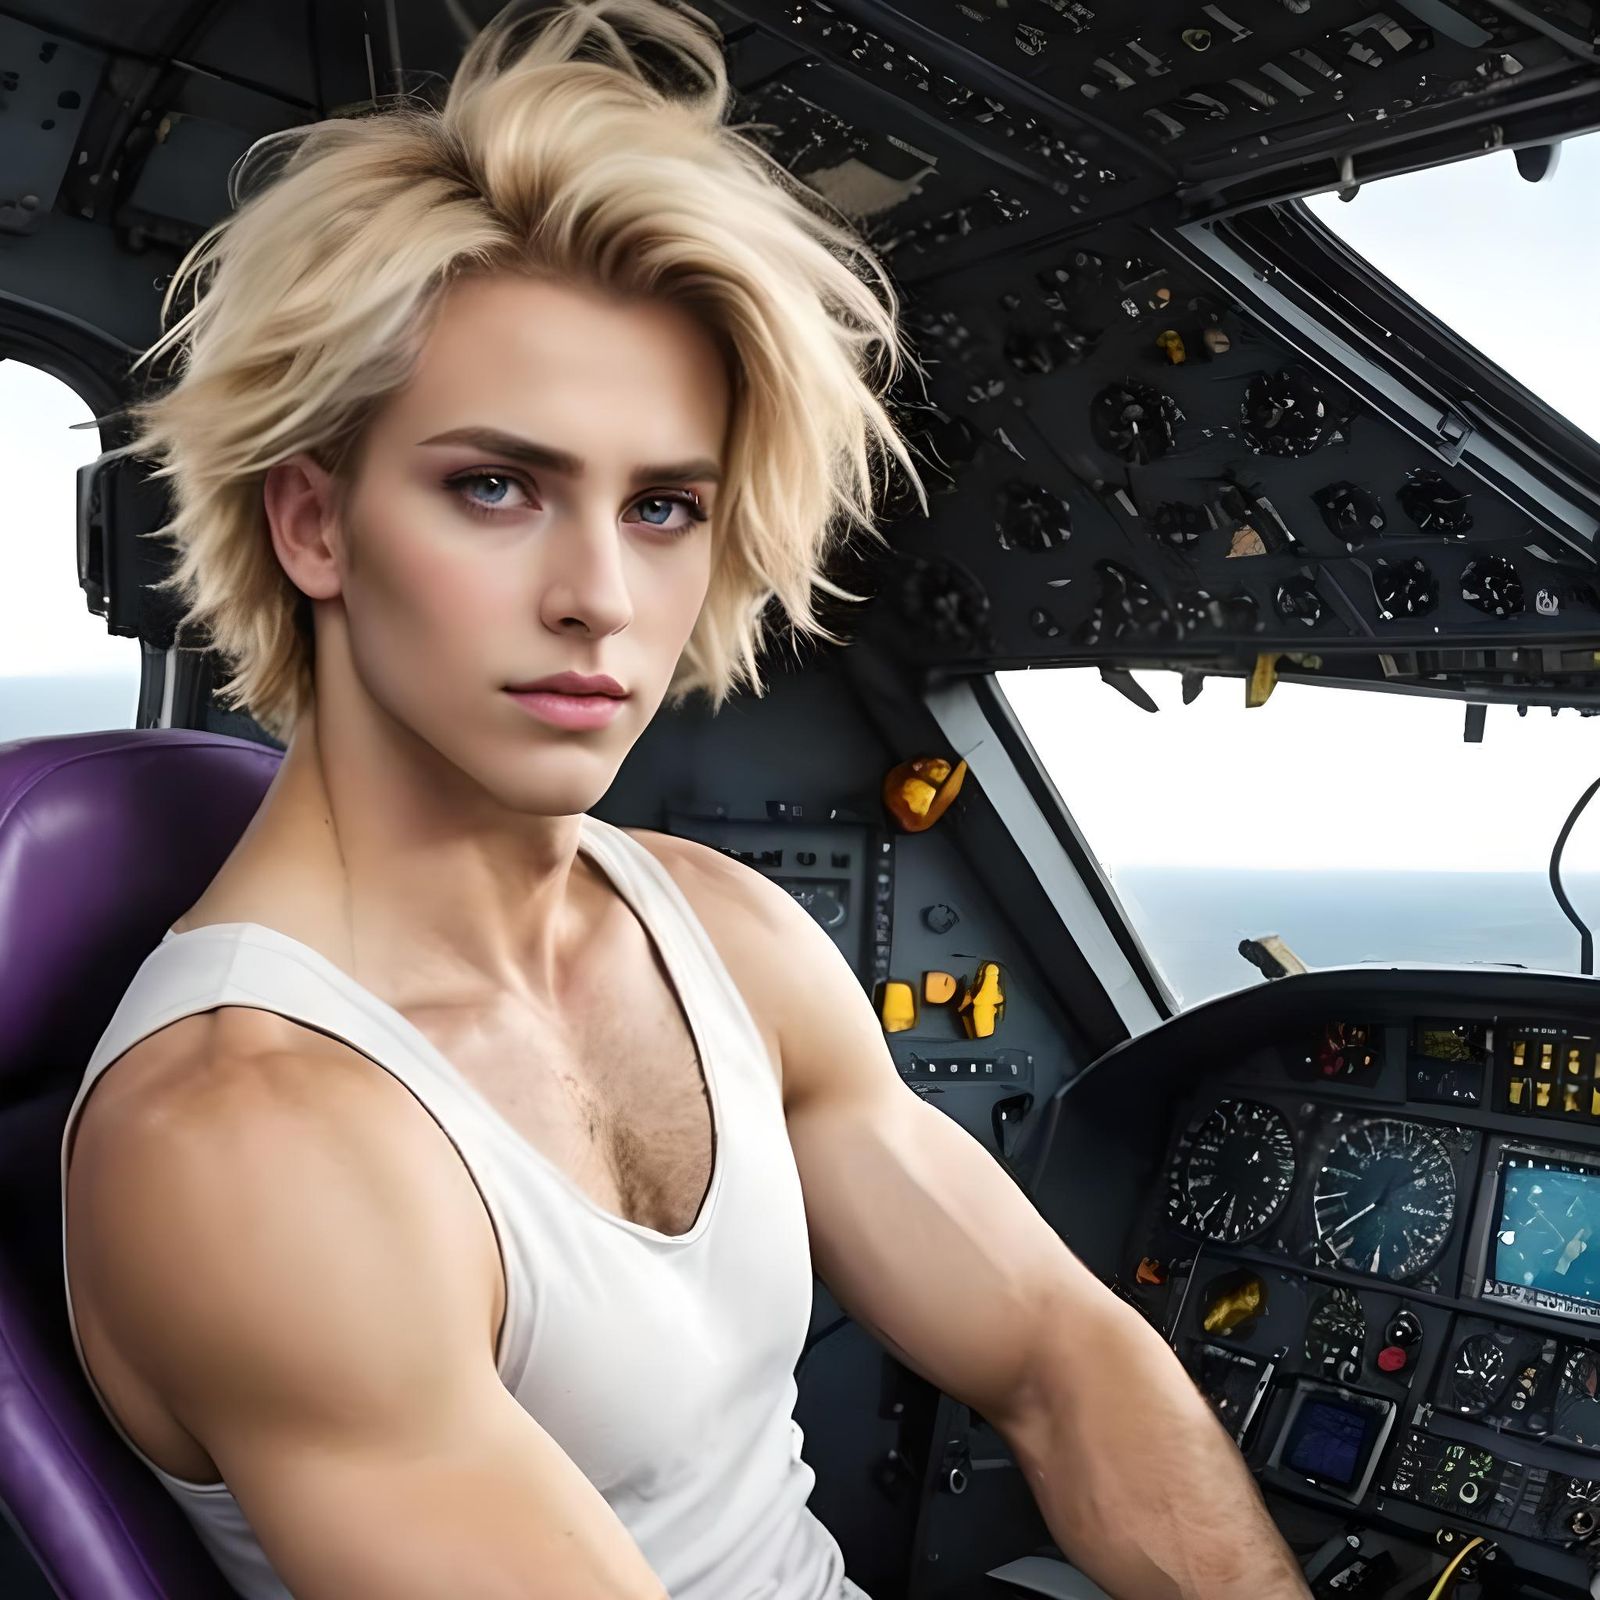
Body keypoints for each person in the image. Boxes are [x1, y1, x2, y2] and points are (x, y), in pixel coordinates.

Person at [59, 3, 1312, 1597]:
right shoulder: (250, 1146)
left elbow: (1060, 1358)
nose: (599, 596)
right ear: (315, 526)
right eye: (496, 487)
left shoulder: (723, 930)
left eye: (661, 507)